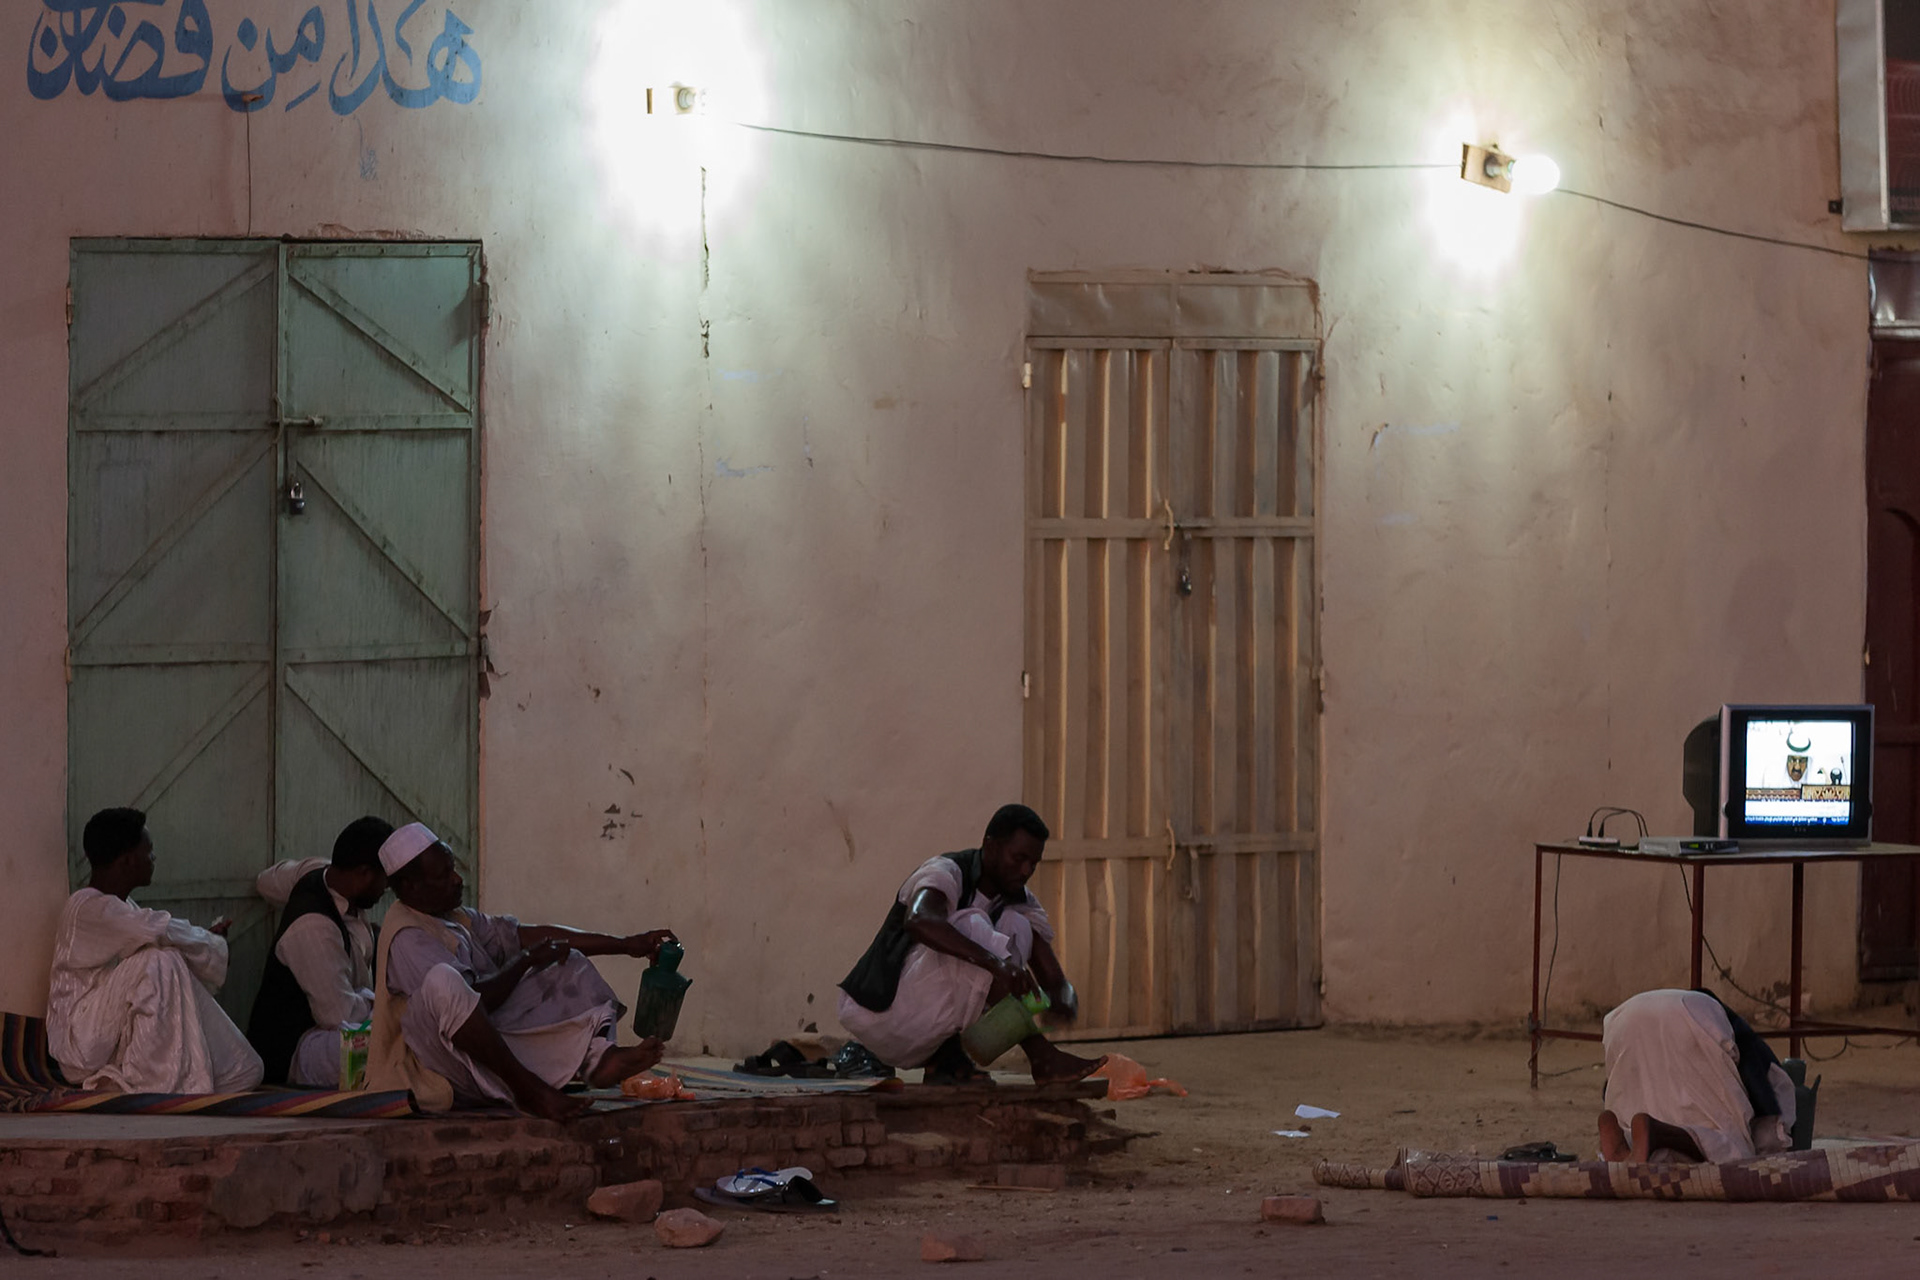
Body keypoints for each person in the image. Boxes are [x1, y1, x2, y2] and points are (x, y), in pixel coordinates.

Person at [369, 823, 677, 1121]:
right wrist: (525, 960)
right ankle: (530, 1091)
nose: (457, 880)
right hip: (440, 1066)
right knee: (443, 981)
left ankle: (598, 1059)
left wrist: (626, 944)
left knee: (568, 961)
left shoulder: (452, 916)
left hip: (488, 1046)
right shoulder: (407, 937)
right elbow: (474, 1000)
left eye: (453, 869)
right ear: (410, 887)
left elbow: (523, 937)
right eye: (443, 875)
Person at [837, 803, 1106, 1085]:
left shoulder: (1019, 899)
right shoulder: (946, 871)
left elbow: (1053, 979)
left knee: (1017, 925)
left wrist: (1063, 996)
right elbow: (919, 919)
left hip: (926, 1036)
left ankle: (946, 1060)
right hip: (880, 1016)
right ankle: (1043, 1057)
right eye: (1018, 858)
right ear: (990, 846)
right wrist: (996, 964)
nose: (1026, 870)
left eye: (1033, 863)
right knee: (970, 926)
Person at [46, 807, 264, 1094]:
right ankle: (150, 1085)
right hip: (81, 1047)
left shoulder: (124, 908)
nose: (153, 858)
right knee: (160, 960)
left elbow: (159, 933)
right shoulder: (86, 907)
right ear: (127, 861)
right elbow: (158, 929)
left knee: (245, 1070)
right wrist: (211, 945)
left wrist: (206, 942)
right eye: (148, 852)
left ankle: (135, 1080)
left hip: (113, 1039)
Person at [247, 816, 393, 1087]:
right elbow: (339, 1016)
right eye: (385, 880)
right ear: (363, 873)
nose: (387, 888)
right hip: (299, 1047)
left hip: (345, 1019)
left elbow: (267, 881)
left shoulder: (320, 872)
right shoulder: (313, 928)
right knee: (390, 1046)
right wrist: (383, 1003)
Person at [1596, 988, 1796, 1164]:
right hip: (1693, 1018)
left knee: (1639, 1112)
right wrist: (1772, 1140)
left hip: (1623, 1019)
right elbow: (1758, 1079)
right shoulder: (1735, 1028)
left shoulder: (1702, 1005)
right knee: (1732, 1147)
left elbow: (1615, 1084)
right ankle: (1659, 1133)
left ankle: (1625, 1142)